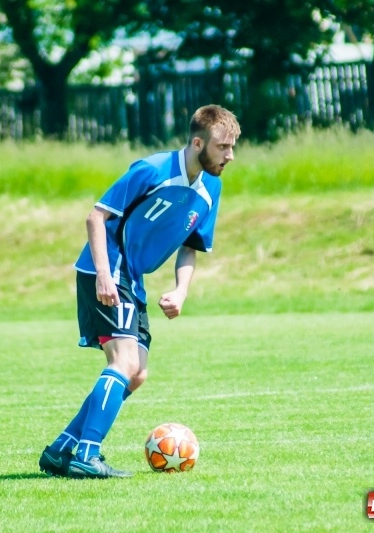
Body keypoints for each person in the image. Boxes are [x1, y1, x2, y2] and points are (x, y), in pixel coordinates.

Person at [38, 105, 241, 478]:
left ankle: (62, 448)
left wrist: (181, 291)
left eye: (233, 147)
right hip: (107, 269)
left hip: (133, 277)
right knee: (124, 363)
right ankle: (87, 453)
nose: (230, 156)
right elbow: (96, 217)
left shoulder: (212, 186)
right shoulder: (152, 170)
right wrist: (103, 274)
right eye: (223, 147)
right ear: (198, 143)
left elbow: (191, 246)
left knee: (137, 373)